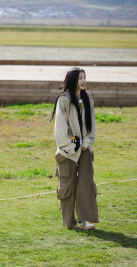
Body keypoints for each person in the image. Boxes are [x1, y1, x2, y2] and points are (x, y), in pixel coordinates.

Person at [50, 67, 98, 230]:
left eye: (84, 77)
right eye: (80, 78)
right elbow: (60, 130)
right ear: (73, 80)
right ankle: (69, 222)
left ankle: (87, 220)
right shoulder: (63, 100)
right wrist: (71, 146)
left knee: (86, 184)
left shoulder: (88, 97)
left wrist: (86, 143)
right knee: (67, 186)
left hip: (85, 150)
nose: (83, 81)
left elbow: (91, 125)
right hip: (67, 152)